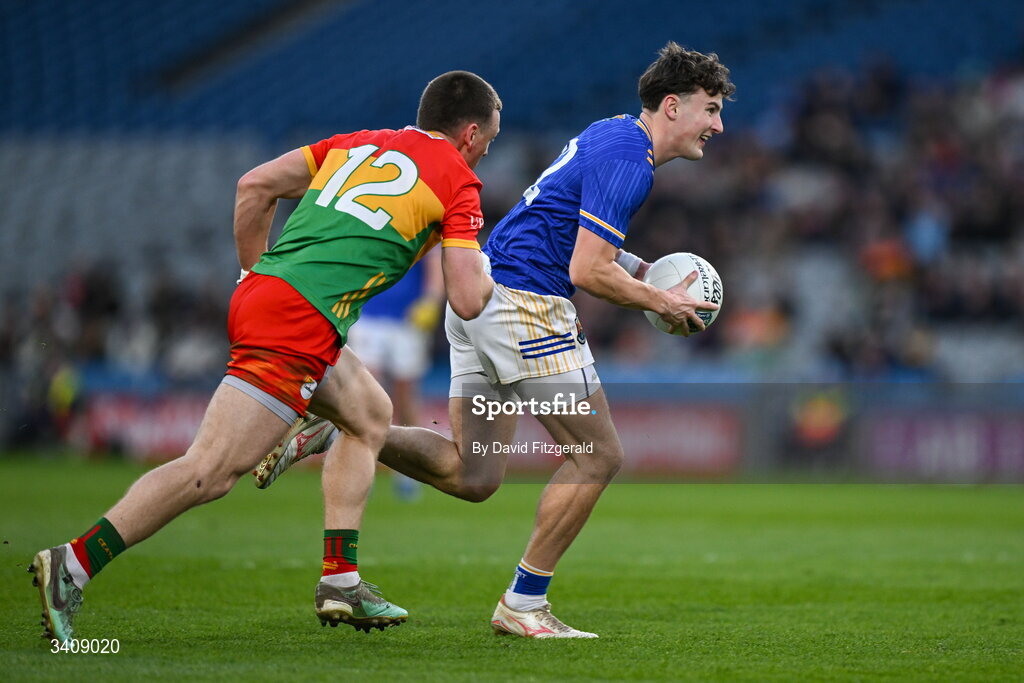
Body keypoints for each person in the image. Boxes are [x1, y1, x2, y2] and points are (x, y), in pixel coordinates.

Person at [258, 42, 732, 638]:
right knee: (598, 456)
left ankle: (350, 427)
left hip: (486, 292)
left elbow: (564, 226)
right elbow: (587, 270)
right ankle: (524, 604)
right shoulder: (630, 163)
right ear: (671, 106)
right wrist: (663, 300)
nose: (717, 124)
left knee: (472, 474)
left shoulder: (612, 134)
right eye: (710, 109)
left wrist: (641, 271)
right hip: (526, 308)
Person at [29, 70, 502, 642]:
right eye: (489, 144)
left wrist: (256, 276)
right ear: (471, 134)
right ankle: (73, 565)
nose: (483, 156)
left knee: (369, 417)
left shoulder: (356, 144)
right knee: (209, 472)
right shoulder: (459, 181)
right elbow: (468, 300)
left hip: (277, 300)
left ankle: (341, 580)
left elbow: (254, 186)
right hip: (298, 322)